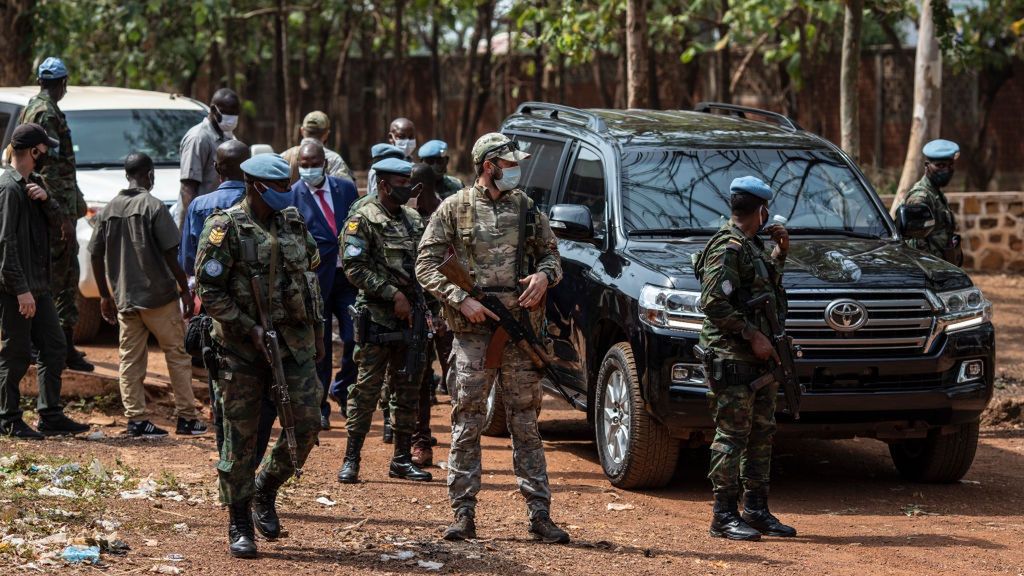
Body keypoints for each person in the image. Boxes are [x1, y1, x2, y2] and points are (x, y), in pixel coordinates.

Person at [416, 132, 569, 544]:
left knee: (525, 422)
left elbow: (552, 256)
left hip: (519, 332)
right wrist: (460, 299)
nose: (515, 169)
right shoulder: (455, 208)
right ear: (489, 166)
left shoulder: (526, 208)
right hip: (473, 334)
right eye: (509, 163)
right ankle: (463, 513)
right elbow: (426, 264)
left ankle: (540, 513)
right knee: (467, 420)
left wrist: (543, 276)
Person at [195, 153, 324, 558]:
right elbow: (209, 290)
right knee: (241, 440)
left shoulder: (293, 223)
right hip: (241, 350)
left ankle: (265, 489)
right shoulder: (225, 227)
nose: (288, 194)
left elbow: (310, 276)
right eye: (280, 188)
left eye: (288, 186)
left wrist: (317, 332)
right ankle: (238, 520)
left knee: (305, 424)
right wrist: (247, 326)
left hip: (293, 345)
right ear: (255, 186)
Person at [694, 175, 796, 542]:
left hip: (759, 358)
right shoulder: (728, 247)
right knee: (732, 435)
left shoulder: (750, 246)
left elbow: (760, 289)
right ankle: (723, 516)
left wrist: (779, 254)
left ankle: (755, 509)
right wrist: (751, 335)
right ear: (761, 209)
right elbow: (712, 302)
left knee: (762, 432)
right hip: (733, 355)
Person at [89, 153, 206, 438]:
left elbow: (94, 253)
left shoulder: (109, 210)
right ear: (149, 175)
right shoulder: (153, 206)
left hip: (125, 298)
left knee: (130, 359)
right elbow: (171, 253)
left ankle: (137, 420)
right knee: (176, 355)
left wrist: (105, 295)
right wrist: (185, 291)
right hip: (159, 297)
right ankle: (187, 418)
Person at [336, 157, 432, 485]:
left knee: (408, 389)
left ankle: (402, 459)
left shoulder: (413, 220)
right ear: (383, 185)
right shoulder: (362, 219)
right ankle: (352, 458)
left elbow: (425, 264)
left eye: (409, 182)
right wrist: (393, 294)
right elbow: (354, 268)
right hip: (377, 320)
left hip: (412, 322)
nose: (407, 188)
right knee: (365, 390)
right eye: (400, 183)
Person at [0, 124, 90, 438]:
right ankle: (8, 418)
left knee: (54, 346)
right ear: (34, 151)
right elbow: (6, 245)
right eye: (44, 149)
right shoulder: (8, 188)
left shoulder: (34, 183)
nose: (47, 155)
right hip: (17, 288)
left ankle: (50, 413)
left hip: (40, 286)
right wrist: (21, 290)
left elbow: (60, 227)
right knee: (16, 353)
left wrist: (46, 199)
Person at [17, 57, 93, 372]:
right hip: (52, 209)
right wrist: (56, 211)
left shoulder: (35, 107)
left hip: (56, 205)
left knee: (58, 275)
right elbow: (43, 166)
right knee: (60, 276)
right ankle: (57, 346)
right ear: (62, 83)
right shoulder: (46, 112)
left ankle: (58, 345)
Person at [289, 140, 358, 430]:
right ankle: (320, 407)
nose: (308, 169)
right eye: (303, 165)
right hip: (315, 281)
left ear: (324, 164)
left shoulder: (346, 188)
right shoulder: (293, 195)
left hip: (348, 278)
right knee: (321, 347)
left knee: (355, 337)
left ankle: (342, 388)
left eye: (313, 164)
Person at [407, 163, 451, 467]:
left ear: (419, 188)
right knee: (420, 378)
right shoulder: (405, 219)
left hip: (449, 308)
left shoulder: (448, 214)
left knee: (458, 378)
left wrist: (446, 310)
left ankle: (464, 443)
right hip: (416, 309)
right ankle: (420, 442)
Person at [180, 140, 250, 274]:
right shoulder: (261, 201)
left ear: (216, 168)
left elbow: (187, 262)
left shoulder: (198, 206)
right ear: (248, 166)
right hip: (252, 290)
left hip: (211, 289)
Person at [893, 139, 963, 266]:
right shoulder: (921, 197)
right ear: (927, 166)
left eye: (950, 165)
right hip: (930, 269)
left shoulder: (936, 193)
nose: (947, 170)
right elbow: (914, 244)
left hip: (942, 266)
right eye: (940, 166)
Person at [178, 88, 240, 227]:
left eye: (235, 114)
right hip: (200, 221)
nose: (231, 118)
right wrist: (193, 225)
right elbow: (188, 188)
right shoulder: (198, 138)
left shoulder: (228, 137)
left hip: (219, 221)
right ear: (213, 109)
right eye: (227, 113)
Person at [280, 111, 354, 183]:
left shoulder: (284, 157)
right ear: (326, 134)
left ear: (302, 131)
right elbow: (345, 190)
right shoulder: (334, 159)